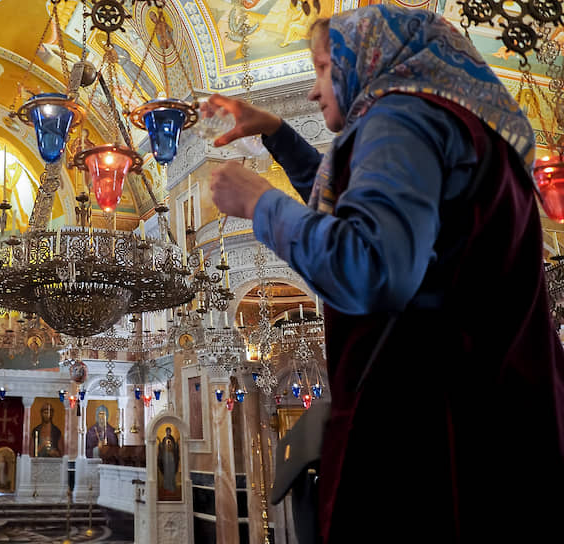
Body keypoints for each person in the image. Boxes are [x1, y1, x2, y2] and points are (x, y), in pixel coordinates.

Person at [206, 6, 564, 542]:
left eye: (324, 67)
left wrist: (260, 203)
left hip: (432, 444)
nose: (312, 89)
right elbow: (360, 214)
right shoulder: (451, 122)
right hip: (494, 425)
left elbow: (370, 268)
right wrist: (280, 137)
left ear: (368, 60)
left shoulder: (400, 119)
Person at [157, 426, 179, 496]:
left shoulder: (172, 438)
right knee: (167, 472)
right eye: (167, 431)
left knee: (171, 471)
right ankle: (166, 486)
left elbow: (175, 448)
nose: (168, 432)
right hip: (165, 458)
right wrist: (160, 445)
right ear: (166, 432)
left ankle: (171, 486)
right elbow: (162, 448)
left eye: (169, 431)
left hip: (171, 457)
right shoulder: (164, 439)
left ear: (170, 432)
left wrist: (176, 445)